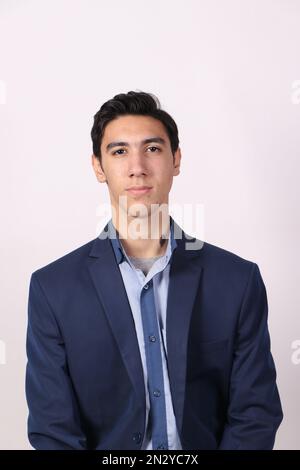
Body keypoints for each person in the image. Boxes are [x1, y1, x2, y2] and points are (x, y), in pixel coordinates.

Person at [25, 91, 283, 450]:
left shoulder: (237, 281)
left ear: (176, 159)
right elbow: (53, 431)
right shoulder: (53, 289)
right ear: (98, 167)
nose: (137, 167)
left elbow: (255, 414)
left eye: (152, 149)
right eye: (119, 152)